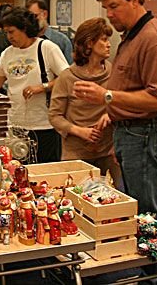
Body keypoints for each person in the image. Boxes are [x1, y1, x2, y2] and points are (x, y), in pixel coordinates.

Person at [73, 0, 157, 223]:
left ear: (134, 1)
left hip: (144, 134)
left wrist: (107, 96)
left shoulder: (152, 39)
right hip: (132, 133)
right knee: (136, 206)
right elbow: (136, 87)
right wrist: (113, 114)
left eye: (113, 6)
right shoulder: (133, 35)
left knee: (146, 213)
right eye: (106, 8)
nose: (109, 14)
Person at [0, 7, 69, 163]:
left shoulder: (46, 48)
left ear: (25, 28)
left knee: (43, 171)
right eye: (6, 32)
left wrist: (42, 87)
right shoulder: (8, 53)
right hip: (15, 125)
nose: (8, 37)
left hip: (44, 125)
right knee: (17, 170)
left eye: (11, 32)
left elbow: (67, 78)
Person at [49, 17, 122, 188]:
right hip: (76, 152)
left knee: (111, 201)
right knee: (77, 202)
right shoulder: (67, 77)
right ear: (89, 44)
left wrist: (109, 114)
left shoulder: (114, 72)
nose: (109, 44)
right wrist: (80, 131)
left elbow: (122, 102)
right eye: (104, 39)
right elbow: (54, 115)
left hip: (108, 151)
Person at [26, 0, 73, 65]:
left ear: (45, 14)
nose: (31, 21)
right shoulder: (26, 40)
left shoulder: (62, 41)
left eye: (35, 16)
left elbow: (70, 69)